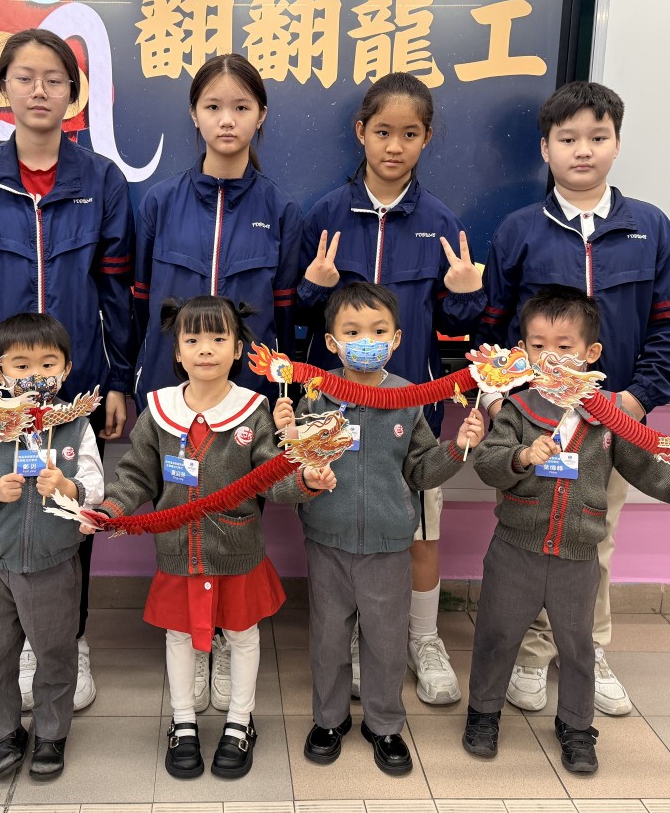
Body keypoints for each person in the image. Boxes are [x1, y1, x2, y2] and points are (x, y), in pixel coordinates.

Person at [464, 286, 670, 774]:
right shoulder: (518, 411)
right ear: (522, 351)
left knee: (578, 646)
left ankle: (576, 727)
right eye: (538, 346)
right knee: (496, 636)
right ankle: (483, 715)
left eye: (564, 346)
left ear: (591, 354)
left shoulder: (608, 419)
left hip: (578, 557)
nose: (550, 357)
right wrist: (521, 456)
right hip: (514, 552)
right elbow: (488, 465)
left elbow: (658, 471)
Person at [476, 81, 670, 716]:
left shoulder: (650, 228)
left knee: (594, 539)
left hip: (609, 426)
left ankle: (589, 651)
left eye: (598, 137)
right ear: (545, 148)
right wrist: (502, 402)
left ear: (617, 144)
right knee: (529, 537)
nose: (583, 150)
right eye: (568, 138)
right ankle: (530, 654)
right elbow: (494, 328)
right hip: (533, 428)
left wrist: (638, 398)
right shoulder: (519, 230)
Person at [0, 28, 136, 713]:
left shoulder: (101, 181)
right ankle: (18, 639)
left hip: (75, 386)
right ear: (4, 89)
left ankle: (68, 640)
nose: (40, 90)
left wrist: (118, 379)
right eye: (25, 77)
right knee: (5, 505)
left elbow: (119, 289)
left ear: (74, 92)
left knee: (70, 507)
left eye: (54, 78)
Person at [83, 296, 334, 780]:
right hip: (177, 551)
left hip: (238, 550)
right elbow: (135, 476)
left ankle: (240, 721)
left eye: (219, 338)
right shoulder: (158, 411)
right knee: (178, 636)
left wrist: (306, 480)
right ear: (177, 352)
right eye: (193, 339)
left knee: (242, 635)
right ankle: (182, 721)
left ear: (238, 349)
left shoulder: (254, 410)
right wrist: (110, 510)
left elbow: (273, 479)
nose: (205, 349)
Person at [296, 72, 484, 705]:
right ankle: (354, 638)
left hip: (413, 406)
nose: (394, 146)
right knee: (343, 522)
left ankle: (423, 639)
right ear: (361, 133)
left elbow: (458, 327)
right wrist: (314, 288)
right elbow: (300, 317)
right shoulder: (326, 215)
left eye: (409, 134)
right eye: (382, 132)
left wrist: (467, 298)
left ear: (427, 139)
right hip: (336, 406)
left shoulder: (441, 221)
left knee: (421, 525)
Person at [132, 53, 303, 711]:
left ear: (262, 117)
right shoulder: (160, 202)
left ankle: (230, 638)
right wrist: (133, 381)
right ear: (194, 115)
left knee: (238, 513)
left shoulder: (281, 210)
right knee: (178, 508)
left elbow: (284, 314)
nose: (226, 120)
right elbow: (138, 302)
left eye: (240, 107)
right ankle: (192, 643)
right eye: (213, 107)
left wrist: (283, 400)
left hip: (246, 398)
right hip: (172, 392)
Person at [274, 282, 484, 776]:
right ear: (331, 342)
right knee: (329, 638)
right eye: (352, 332)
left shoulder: (408, 397)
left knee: (386, 642)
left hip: (389, 546)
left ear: (395, 339)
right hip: (327, 539)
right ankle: (328, 720)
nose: (365, 341)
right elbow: (291, 469)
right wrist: (288, 434)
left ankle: (385, 724)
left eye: (377, 331)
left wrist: (459, 448)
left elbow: (421, 471)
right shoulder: (314, 394)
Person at [0, 312, 103, 781]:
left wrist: (68, 487)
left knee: (55, 650)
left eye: (48, 364)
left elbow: (95, 486)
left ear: (66, 369)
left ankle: (52, 732)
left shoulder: (75, 426)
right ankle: (2, 732)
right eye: (21, 365)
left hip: (54, 562)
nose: (35, 375)